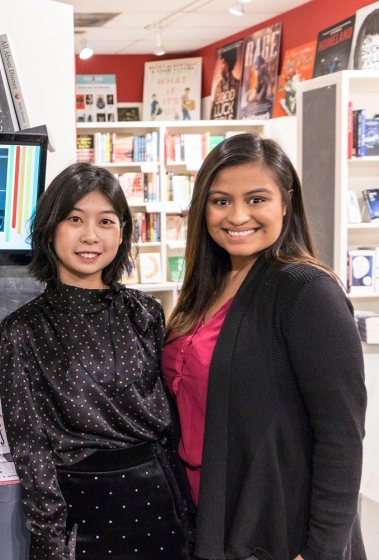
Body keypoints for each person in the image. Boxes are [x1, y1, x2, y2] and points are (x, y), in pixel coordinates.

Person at [162, 133, 367, 559]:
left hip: (276, 531)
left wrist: (318, 553)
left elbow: (342, 439)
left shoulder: (307, 291)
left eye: (256, 199)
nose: (237, 216)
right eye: (221, 201)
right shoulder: (206, 286)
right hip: (209, 516)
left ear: (286, 202)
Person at [0, 163, 193, 560]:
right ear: (50, 228)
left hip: (161, 503)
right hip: (81, 513)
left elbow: (169, 423)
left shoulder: (146, 312)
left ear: (121, 233)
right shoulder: (23, 329)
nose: (90, 236)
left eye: (105, 221)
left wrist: (189, 513)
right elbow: (30, 447)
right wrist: (51, 540)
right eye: (74, 219)